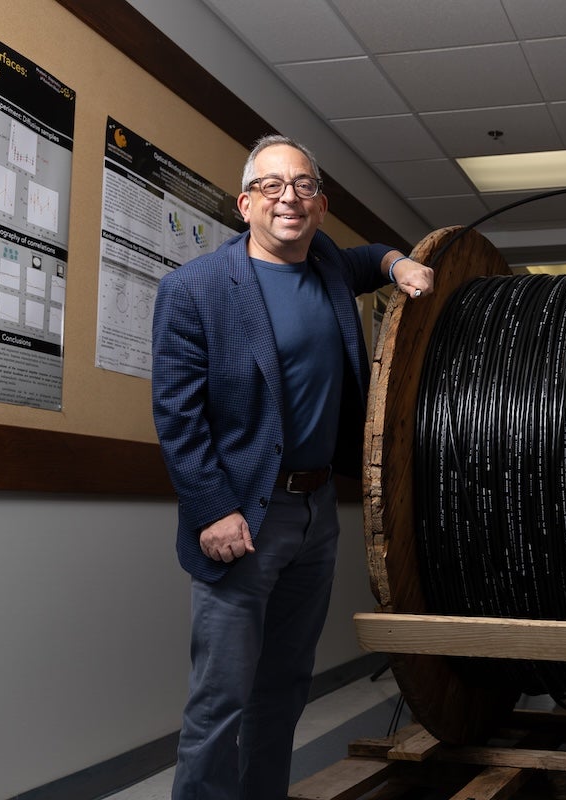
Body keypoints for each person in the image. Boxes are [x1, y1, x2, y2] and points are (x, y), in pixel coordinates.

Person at [151, 134, 433, 799]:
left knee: (282, 694)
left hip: (314, 517)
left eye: (303, 185)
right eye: (273, 185)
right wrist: (212, 509)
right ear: (245, 203)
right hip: (243, 516)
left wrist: (399, 264)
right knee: (219, 703)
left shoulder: (330, 264)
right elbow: (177, 417)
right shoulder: (194, 290)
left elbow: (367, 257)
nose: (289, 197)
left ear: (321, 204)